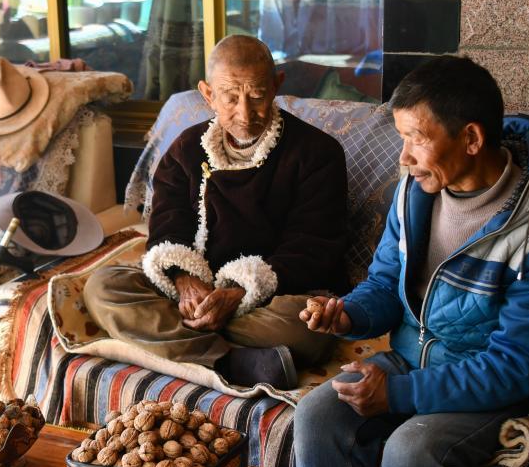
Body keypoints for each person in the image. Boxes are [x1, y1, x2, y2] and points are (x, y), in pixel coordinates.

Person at [294, 55, 529, 467]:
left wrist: (397, 394)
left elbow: (515, 366)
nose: (404, 157)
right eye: (402, 138)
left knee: (412, 451)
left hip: (489, 386)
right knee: (317, 415)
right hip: (411, 359)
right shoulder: (413, 193)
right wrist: (347, 315)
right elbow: (386, 282)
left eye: (417, 138)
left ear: (471, 138)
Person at [84, 36, 348, 389]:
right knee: (103, 287)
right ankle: (231, 361)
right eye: (230, 97)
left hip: (271, 296)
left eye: (257, 95)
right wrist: (184, 279)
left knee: (308, 329)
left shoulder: (318, 153)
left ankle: (173, 340)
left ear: (276, 86)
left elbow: (313, 246)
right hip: (196, 290)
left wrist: (238, 292)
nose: (245, 113)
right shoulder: (186, 149)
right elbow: (166, 225)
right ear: (208, 94)